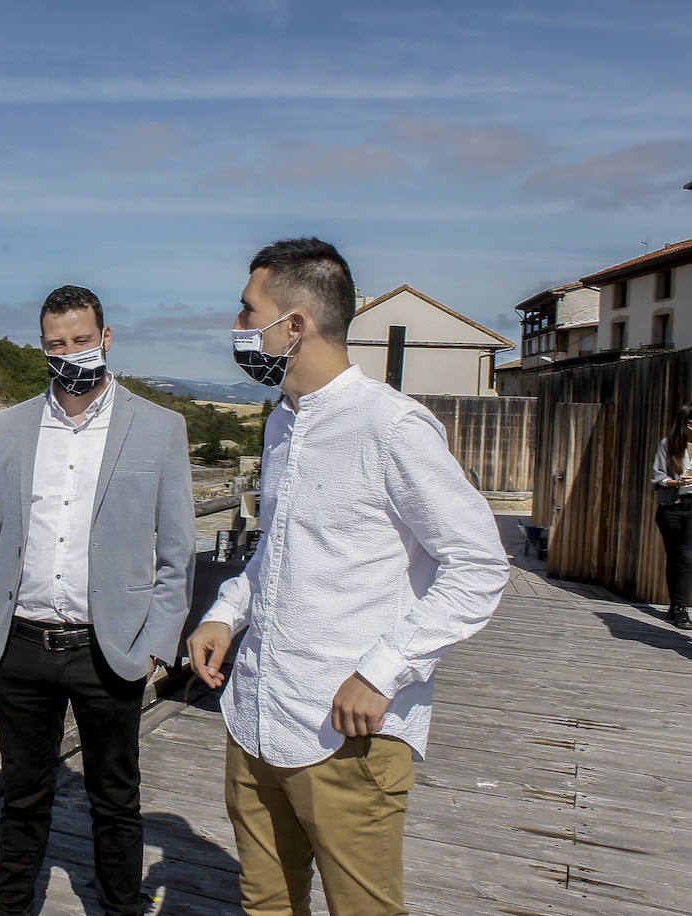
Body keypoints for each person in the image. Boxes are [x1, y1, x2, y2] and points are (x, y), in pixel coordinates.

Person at [187, 238, 509, 916]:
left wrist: (385, 670)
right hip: (254, 719)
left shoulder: (391, 427)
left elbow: (478, 564)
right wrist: (225, 612)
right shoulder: (282, 424)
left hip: (346, 735)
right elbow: (277, 549)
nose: (240, 329)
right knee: (264, 904)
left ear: (294, 324)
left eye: (249, 313)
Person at [0, 285, 196, 916]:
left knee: (115, 798)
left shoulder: (159, 428)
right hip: (17, 645)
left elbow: (178, 552)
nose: (69, 353)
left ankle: (121, 908)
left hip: (109, 649)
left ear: (106, 339)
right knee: (22, 795)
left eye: (81, 340)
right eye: (55, 343)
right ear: (41, 347)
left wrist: (156, 643)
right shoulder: (8, 427)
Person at [652, 401, 692, 629]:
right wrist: (675, 481)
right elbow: (657, 476)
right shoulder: (668, 445)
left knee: (688, 558)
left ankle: (681, 609)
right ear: (687, 423)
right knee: (675, 557)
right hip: (672, 507)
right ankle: (674, 603)